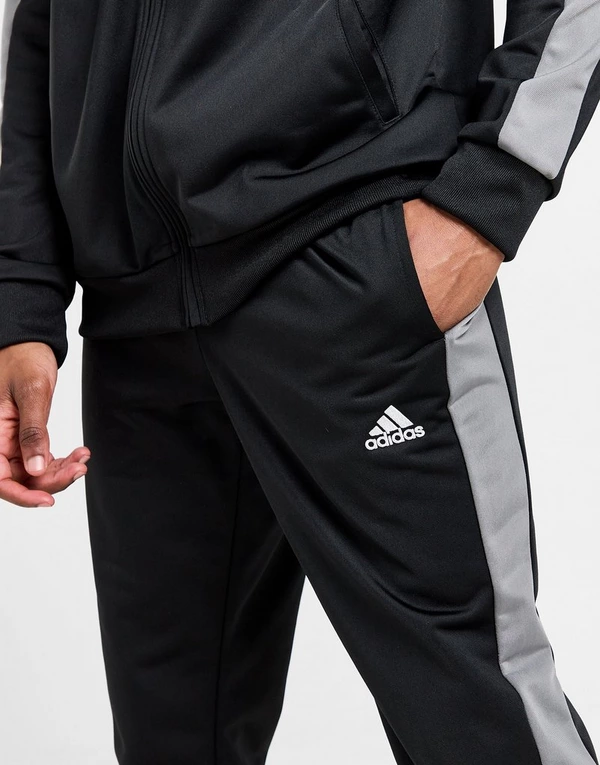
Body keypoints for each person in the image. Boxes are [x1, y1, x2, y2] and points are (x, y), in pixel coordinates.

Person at [0, 0, 598, 762]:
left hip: (347, 254)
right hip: (136, 317)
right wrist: (21, 298)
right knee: (170, 743)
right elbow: (36, 23)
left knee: (478, 722)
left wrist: (489, 194)